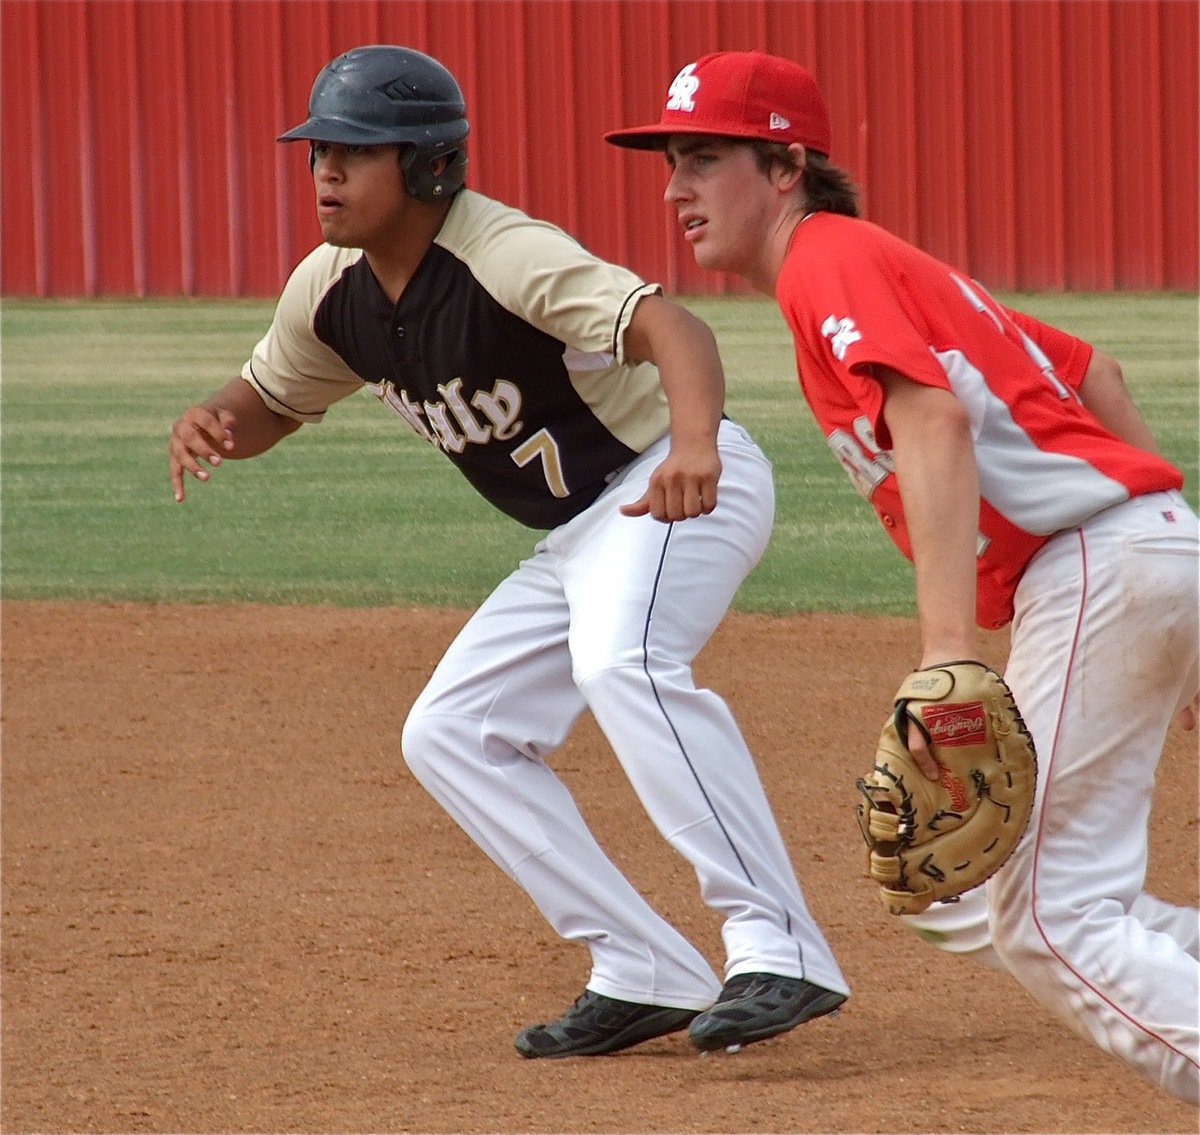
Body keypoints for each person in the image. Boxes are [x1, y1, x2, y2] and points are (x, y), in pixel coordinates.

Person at [168, 44, 849, 1059]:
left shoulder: (504, 254)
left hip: (671, 474)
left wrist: (697, 446)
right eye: (320, 151)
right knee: (450, 730)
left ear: (429, 164)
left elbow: (675, 329)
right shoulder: (331, 289)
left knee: (624, 659)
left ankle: (779, 943)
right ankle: (640, 965)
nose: (325, 171)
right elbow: (273, 398)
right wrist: (216, 419)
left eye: (355, 152)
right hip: (580, 533)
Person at [606, 49, 1200, 1101]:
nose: (674, 187)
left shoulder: (827, 260)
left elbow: (933, 417)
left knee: (1049, 916)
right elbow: (1093, 372)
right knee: (965, 894)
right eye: (671, 161)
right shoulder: (865, 264)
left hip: (1100, 560)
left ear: (784, 164)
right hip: (1133, 553)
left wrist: (948, 653)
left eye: (703, 157)